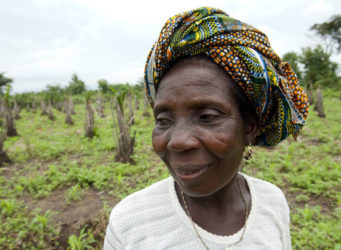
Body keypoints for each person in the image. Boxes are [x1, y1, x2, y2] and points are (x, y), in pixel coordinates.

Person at [104, 7, 309, 250]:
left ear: (250, 127)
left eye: (207, 116)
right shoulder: (130, 223)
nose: (177, 142)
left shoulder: (273, 203)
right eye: (163, 120)